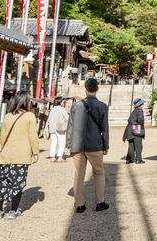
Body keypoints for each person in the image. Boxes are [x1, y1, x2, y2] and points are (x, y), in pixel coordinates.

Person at [0, 91, 39, 220]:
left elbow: (2, 137)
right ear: (26, 102)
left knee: (2, 182)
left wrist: (4, 148)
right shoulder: (30, 116)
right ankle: (13, 211)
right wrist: (35, 152)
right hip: (22, 154)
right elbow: (32, 136)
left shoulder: (8, 116)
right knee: (17, 183)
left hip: (6, 154)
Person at [66, 78, 109, 214]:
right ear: (97, 89)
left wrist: (68, 144)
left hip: (77, 144)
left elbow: (70, 126)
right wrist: (105, 144)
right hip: (95, 143)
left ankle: (79, 204)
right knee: (99, 172)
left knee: (79, 174)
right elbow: (105, 128)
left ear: (85, 89)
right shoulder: (102, 106)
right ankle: (99, 202)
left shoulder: (76, 105)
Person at [122, 98, 145, 164]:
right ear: (140, 105)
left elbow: (129, 120)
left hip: (129, 129)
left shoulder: (133, 111)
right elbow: (140, 120)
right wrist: (142, 122)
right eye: (142, 103)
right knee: (138, 145)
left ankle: (129, 159)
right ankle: (138, 160)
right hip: (136, 129)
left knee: (131, 145)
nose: (143, 104)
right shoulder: (140, 110)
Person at [47, 97, 69, 162]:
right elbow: (67, 118)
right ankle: (60, 157)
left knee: (53, 142)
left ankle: (52, 157)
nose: (63, 102)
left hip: (52, 128)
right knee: (62, 142)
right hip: (60, 128)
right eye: (62, 101)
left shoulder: (52, 109)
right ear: (60, 102)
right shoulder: (62, 109)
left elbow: (49, 119)